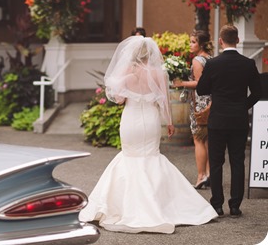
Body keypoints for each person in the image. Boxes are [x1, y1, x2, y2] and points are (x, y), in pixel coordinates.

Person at [79, 36, 217, 234]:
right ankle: (163, 205)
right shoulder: (159, 73)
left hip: (131, 120)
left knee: (130, 157)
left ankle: (124, 206)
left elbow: (118, 99)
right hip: (151, 120)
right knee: (151, 157)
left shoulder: (128, 71)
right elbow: (164, 101)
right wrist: (169, 122)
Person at [196, 25, 262, 217]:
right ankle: (235, 206)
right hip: (239, 120)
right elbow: (257, 93)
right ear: (238, 40)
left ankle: (217, 204)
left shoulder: (213, 64)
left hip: (217, 119)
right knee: (237, 161)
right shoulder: (248, 64)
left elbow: (201, 89)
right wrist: (243, 105)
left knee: (216, 162)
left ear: (220, 41)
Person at [173, 30, 213, 189]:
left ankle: (201, 175)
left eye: (193, 42)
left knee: (198, 140)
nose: (190, 45)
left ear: (201, 44)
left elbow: (199, 83)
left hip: (200, 103)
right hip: (210, 101)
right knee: (208, 140)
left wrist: (180, 83)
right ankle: (210, 174)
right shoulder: (210, 58)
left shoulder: (197, 60)